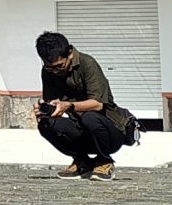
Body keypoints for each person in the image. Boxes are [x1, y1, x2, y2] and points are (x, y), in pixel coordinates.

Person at [35, 29, 134, 178]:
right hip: (81, 129)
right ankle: (82, 161)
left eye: (59, 66)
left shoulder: (87, 64)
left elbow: (97, 104)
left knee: (90, 117)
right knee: (46, 124)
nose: (55, 71)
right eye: (50, 67)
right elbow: (52, 103)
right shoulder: (48, 72)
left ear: (70, 53)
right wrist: (45, 111)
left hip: (110, 130)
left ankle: (104, 161)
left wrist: (68, 106)